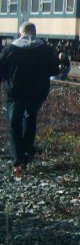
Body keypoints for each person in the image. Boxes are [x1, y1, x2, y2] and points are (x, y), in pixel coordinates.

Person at [0, 22, 60, 179]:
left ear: (20, 33)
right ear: (34, 32)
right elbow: (55, 70)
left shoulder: (10, 49)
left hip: (16, 93)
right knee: (30, 117)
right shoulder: (45, 49)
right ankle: (27, 149)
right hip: (37, 93)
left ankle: (19, 160)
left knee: (14, 124)